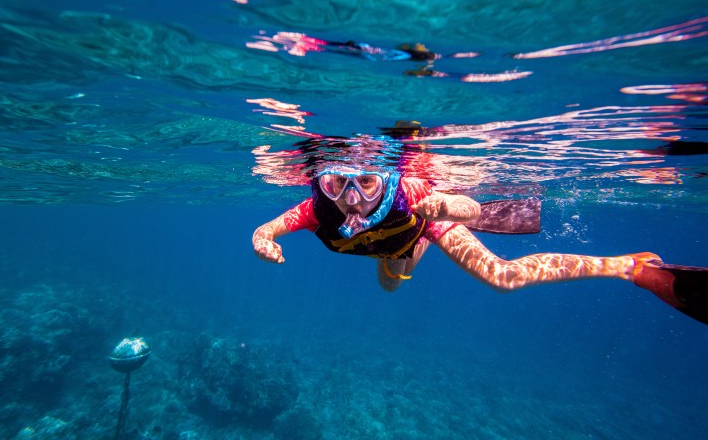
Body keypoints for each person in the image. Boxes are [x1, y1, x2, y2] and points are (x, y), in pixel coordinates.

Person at [252, 164, 708, 325]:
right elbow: (266, 228)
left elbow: (469, 208)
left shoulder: (409, 194)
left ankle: (631, 267)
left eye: (367, 182)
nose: (351, 198)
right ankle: (403, 259)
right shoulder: (315, 210)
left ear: (385, 179)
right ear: (321, 182)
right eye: (336, 184)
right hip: (392, 251)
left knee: (503, 276)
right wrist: (262, 243)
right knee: (390, 285)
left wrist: (451, 209)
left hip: (425, 227)